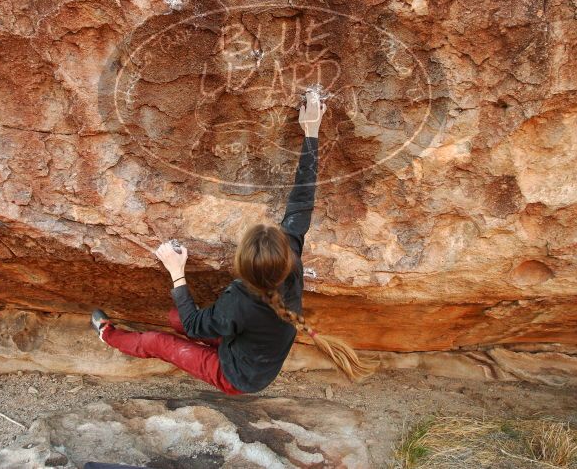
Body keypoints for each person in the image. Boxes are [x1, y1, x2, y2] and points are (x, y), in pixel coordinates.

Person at [91, 91, 378, 395]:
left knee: (158, 340)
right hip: (250, 347)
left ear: (243, 269)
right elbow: (302, 200)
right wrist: (312, 131)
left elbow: (194, 326)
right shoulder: (290, 260)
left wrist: (177, 271)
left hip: (237, 377)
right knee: (175, 318)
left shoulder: (241, 300)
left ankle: (107, 334)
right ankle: (198, 343)